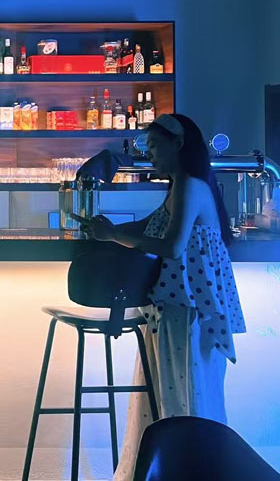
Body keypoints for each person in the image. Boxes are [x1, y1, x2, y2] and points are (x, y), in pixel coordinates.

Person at [81, 113, 246, 480]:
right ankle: (185, 469)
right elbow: (146, 228)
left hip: (188, 307)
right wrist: (109, 230)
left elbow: (172, 246)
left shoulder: (188, 185)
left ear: (178, 144)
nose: (150, 154)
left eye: (155, 146)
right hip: (184, 305)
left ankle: (187, 471)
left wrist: (112, 235)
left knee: (183, 399)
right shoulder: (183, 186)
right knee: (187, 395)